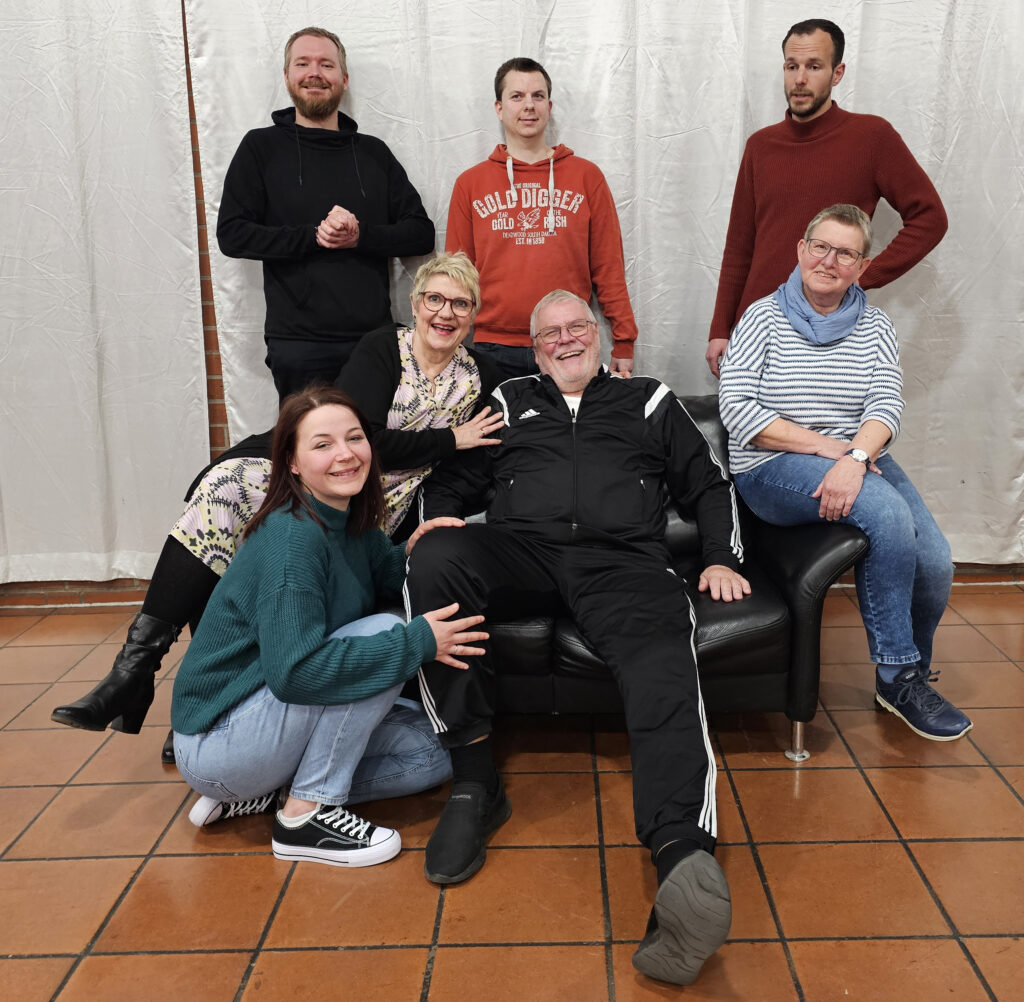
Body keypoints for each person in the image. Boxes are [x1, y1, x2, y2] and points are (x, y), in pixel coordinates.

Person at [405, 289, 749, 986]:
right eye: (550, 334)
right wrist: (435, 517)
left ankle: (681, 854)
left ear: (598, 336)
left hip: (624, 563)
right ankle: (474, 782)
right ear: (535, 352)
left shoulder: (649, 400)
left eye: (576, 328)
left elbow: (709, 486)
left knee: (661, 667)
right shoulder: (509, 402)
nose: (566, 340)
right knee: (434, 557)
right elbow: (454, 478)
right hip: (521, 550)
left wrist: (720, 556)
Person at [51, 253, 503, 759]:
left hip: (380, 502)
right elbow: (364, 438)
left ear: (473, 314)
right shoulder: (383, 346)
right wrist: (451, 438)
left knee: (242, 530)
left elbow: (488, 442)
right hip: (324, 469)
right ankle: (137, 670)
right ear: (415, 304)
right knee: (225, 494)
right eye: (434, 299)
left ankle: (168, 693)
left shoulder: (479, 374)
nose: (445, 313)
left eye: (460, 303)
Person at [170, 387, 488, 866]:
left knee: (431, 753)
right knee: (385, 631)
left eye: (355, 438)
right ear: (292, 463)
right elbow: (295, 673)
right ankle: (306, 813)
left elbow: (378, 571)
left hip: (264, 727)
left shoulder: (346, 517)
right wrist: (418, 642)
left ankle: (271, 794)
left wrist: (413, 551)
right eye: (322, 445)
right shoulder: (293, 539)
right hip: (220, 739)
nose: (345, 454)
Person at [718, 203, 970, 742]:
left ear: (862, 265)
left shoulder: (875, 325)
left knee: (936, 561)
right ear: (801, 250)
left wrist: (855, 458)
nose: (829, 261)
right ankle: (898, 675)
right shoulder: (763, 317)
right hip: (770, 464)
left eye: (846, 254)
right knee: (886, 512)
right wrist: (832, 451)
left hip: (859, 455)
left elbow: (886, 404)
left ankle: (912, 674)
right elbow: (737, 410)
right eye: (821, 247)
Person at [705, 18, 947, 377]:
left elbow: (930, 218)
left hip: (830, 334)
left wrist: (861, 275)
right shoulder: (761, 146)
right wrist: (721, 328)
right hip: (757, 330)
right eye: (792, 66)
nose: (800, 79)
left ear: (837, 73)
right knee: (744, 415)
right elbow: (740, 246)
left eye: (814, 66)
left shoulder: (872, 137)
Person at [217, 26, 435, 401]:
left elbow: (420, 233)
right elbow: (232, 234)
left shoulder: (373, 153)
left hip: (372, 340)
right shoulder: (261, 148)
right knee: (307, 438)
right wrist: (314, 236)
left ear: (343, 79)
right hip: (297, 344)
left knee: (373, 437)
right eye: (303, 63)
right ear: (287, 76)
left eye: (326, 64)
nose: (314, 73)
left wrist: (360, 236)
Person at [445, 57, 637, 379]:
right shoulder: (470, 184)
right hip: (493, 347)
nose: (528, 106)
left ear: (549, 106)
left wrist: (624, 340)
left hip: (568, 341)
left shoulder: (586, 177)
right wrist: (448, 345)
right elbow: (456, 277)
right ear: (499, 108)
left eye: (537, 96)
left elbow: (609, 267)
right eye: (516, 96)